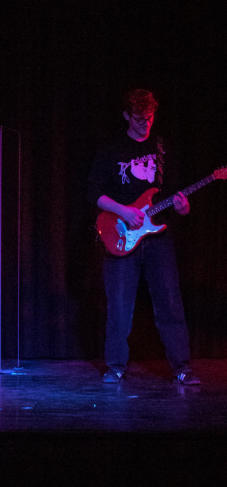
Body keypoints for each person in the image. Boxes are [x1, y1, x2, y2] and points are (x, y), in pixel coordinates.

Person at [87, 89, 199, 385]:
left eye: (150, 117)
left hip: (158, 237)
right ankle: (115, 366)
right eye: (139, 119)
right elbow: (93, 193)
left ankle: (182, 367)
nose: (145, 124)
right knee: (120, 306)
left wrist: (183, 207)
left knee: (170, 302)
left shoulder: (162, 148)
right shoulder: (111, 149)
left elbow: (174, 194)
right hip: (121, 233)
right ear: (126, 115)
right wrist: (124, 211)